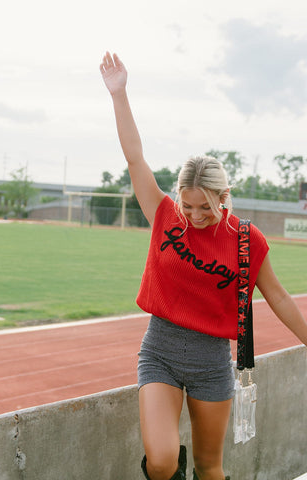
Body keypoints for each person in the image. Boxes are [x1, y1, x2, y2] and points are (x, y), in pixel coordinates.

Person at [100, 51, 307, 480]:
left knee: (210, 467)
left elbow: (281, 298)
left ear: (223, 196)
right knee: (161, 461)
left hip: (213, 359)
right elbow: (135, 158)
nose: (194, 216)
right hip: (160, 350)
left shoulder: (248, 241)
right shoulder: (163, 214)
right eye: (188, 204)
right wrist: (119, 95)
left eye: (205, 207)